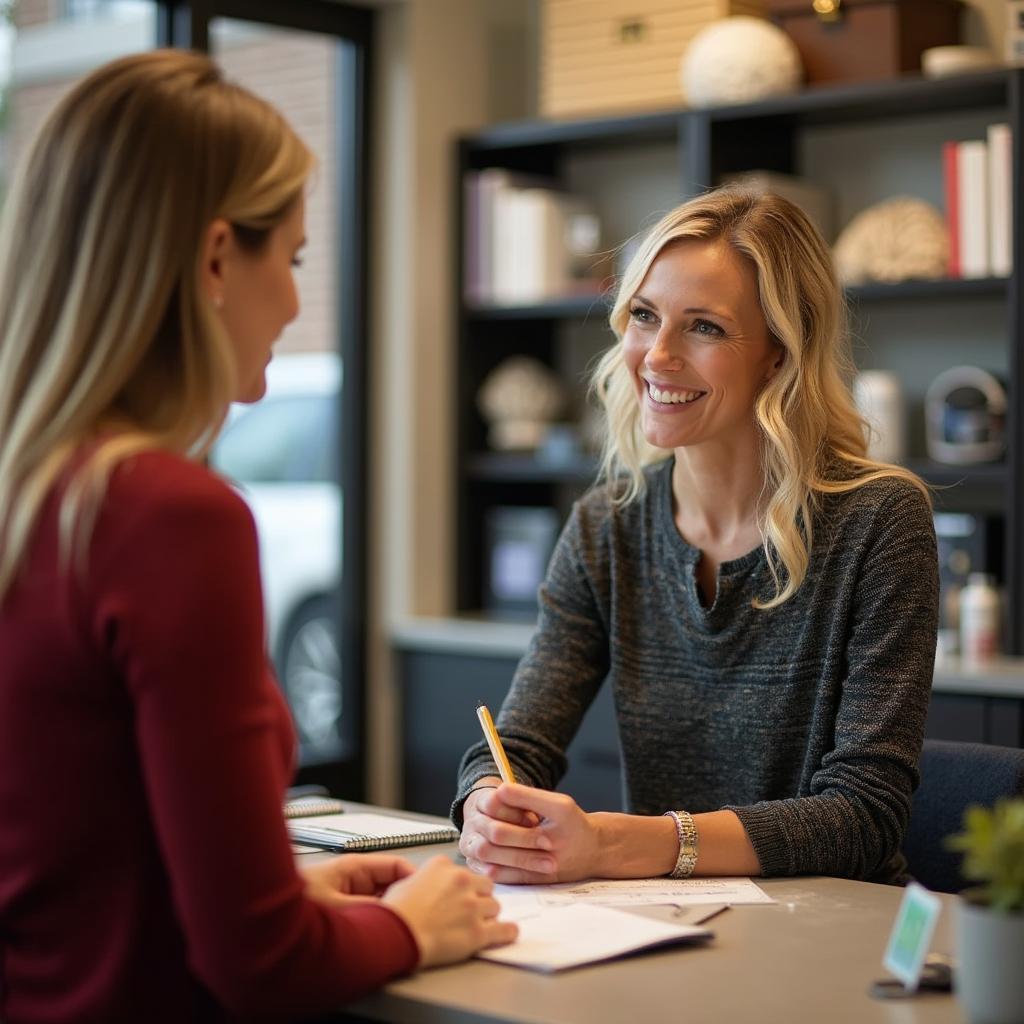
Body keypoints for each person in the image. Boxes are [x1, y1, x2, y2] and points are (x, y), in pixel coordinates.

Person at [0, 50, 514, 1024]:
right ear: (211, 260)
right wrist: (416, 926)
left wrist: (291, 898)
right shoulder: (169, 515)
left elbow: (68, 871)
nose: (290, 299)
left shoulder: (34, 497)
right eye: (292, 258)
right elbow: (260, 962)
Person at [454, 187, 939, 887]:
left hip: (833, 939)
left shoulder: (880, 522)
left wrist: (620, 844)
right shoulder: (607, 525)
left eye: (704, 327)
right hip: (665, 930)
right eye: (645, 316)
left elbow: (862, 817)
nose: (656, 356)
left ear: (779, 353)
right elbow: (518, 741)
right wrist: (486, 805)